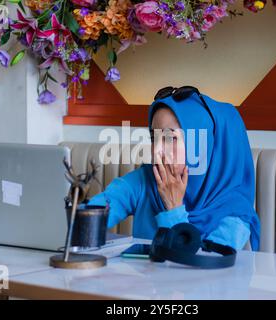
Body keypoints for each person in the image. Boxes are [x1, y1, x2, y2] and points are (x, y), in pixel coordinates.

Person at [88, 86, 260, 251]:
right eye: (154, 137)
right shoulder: (146, 180)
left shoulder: (235, 213)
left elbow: (199, 268)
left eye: (170, 138)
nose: (156, 150)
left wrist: (174, 208)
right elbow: (91, 217)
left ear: (203, 145)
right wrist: (78, 210)